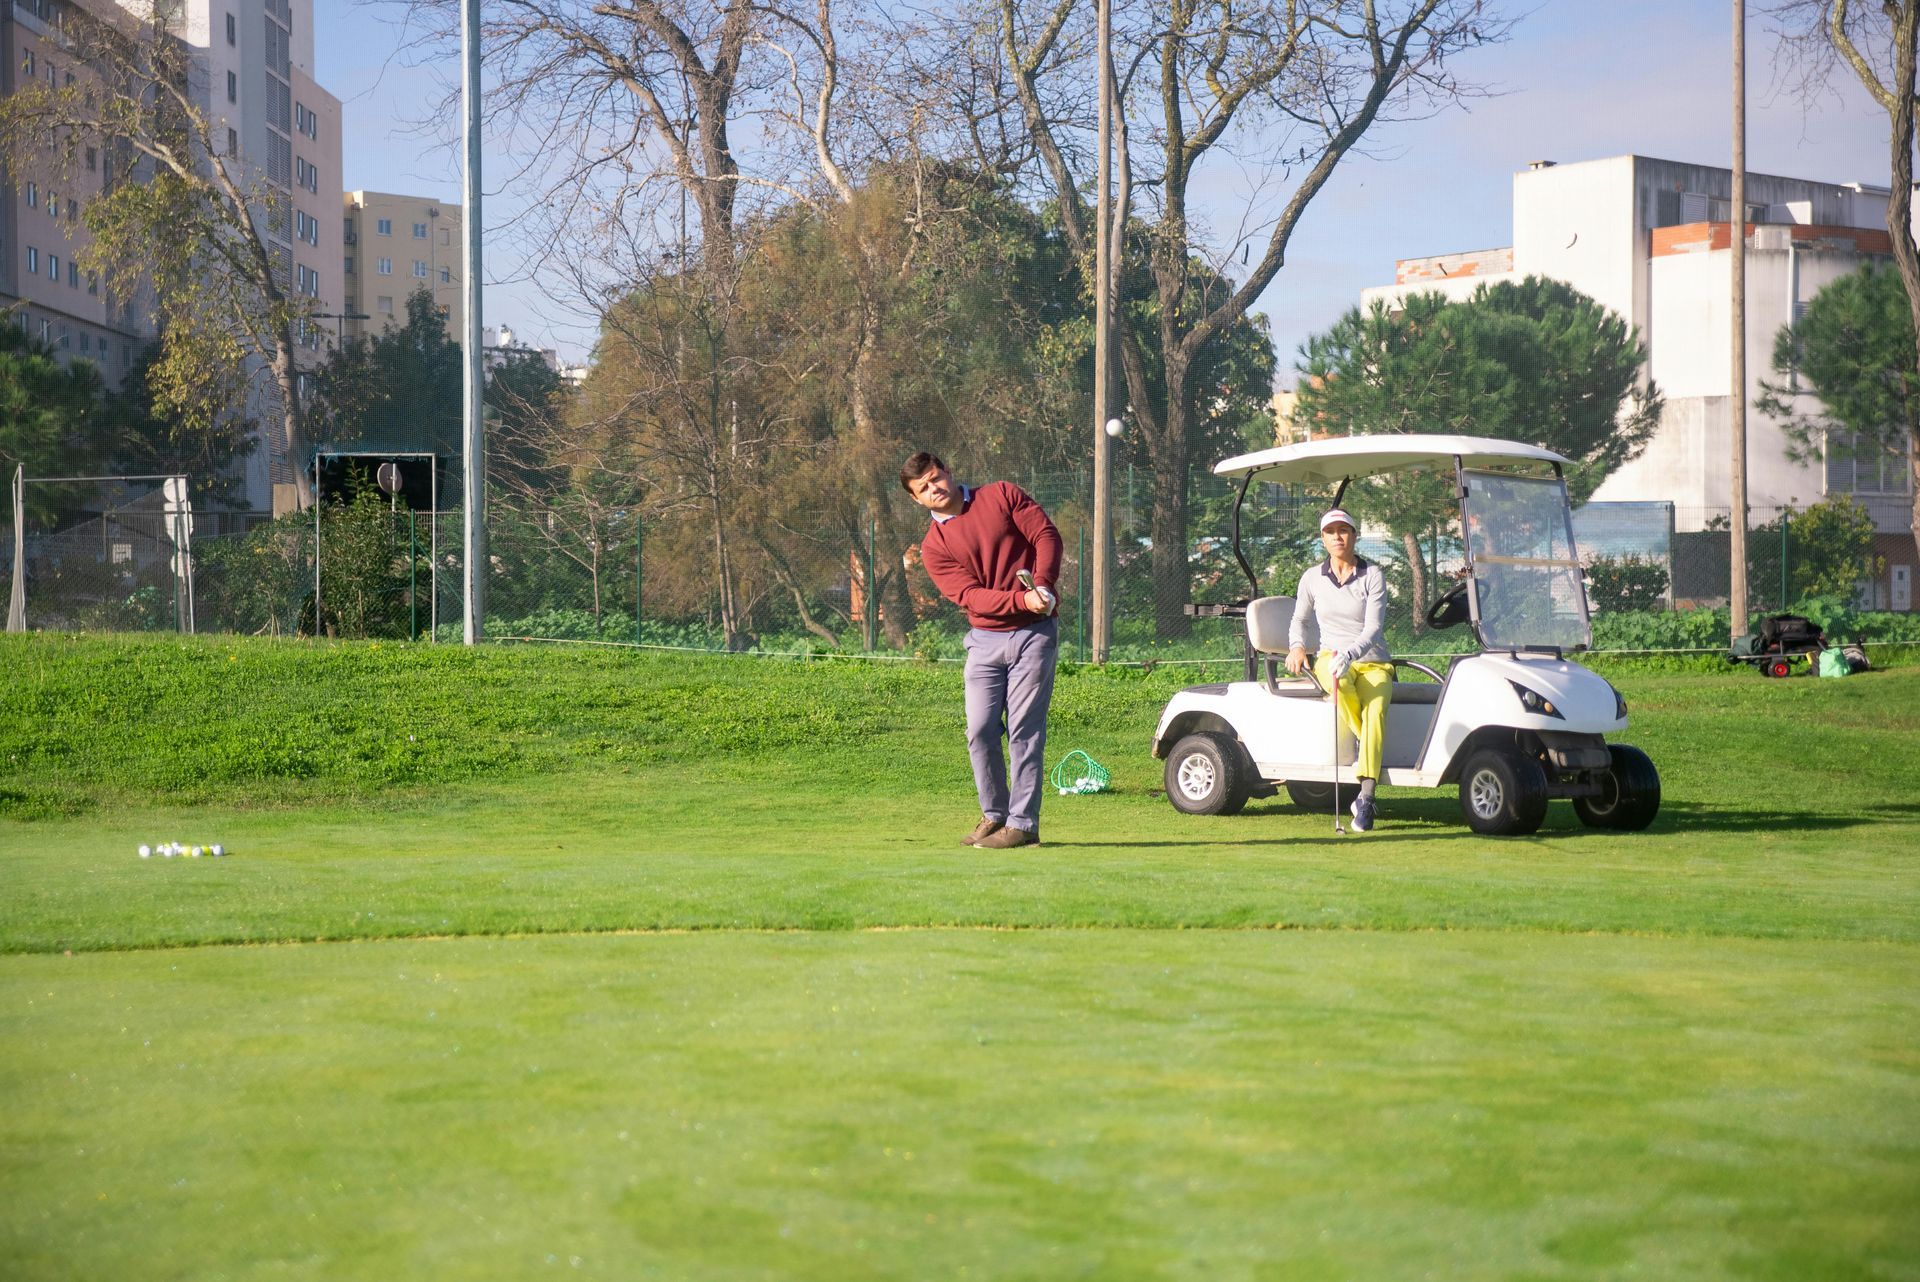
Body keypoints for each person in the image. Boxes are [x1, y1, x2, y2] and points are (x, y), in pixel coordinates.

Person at [902, 452, 1062, 850]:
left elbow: (1046, 536)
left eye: (936, 478)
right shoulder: (933, 547)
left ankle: (1023, 825)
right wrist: (1021, 601)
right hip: (984, 640)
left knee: (1025, 730)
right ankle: (995, 815)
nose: (934, 488)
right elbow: (971, 596)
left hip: (1033, 634)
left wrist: (1041, 586)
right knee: (980, 730)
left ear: (948, 473)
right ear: (915, 499)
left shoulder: (1000, 495)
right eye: (923, 487)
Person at [1286, 508, 1392, 832]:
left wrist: (1351, 653)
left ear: (1354, 536)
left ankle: (1366, 797)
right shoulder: (1311, 578)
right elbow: (1300, 620)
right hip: (1330, 657)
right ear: (1323, 539)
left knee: (1376, 711)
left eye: (1343, 530)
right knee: (1340, 681)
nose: (1337, 536)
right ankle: (1366, 743)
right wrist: (1296, 646)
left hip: (1373, 660)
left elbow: (1374, 627)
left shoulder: (1372, 575)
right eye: (1330, 531)